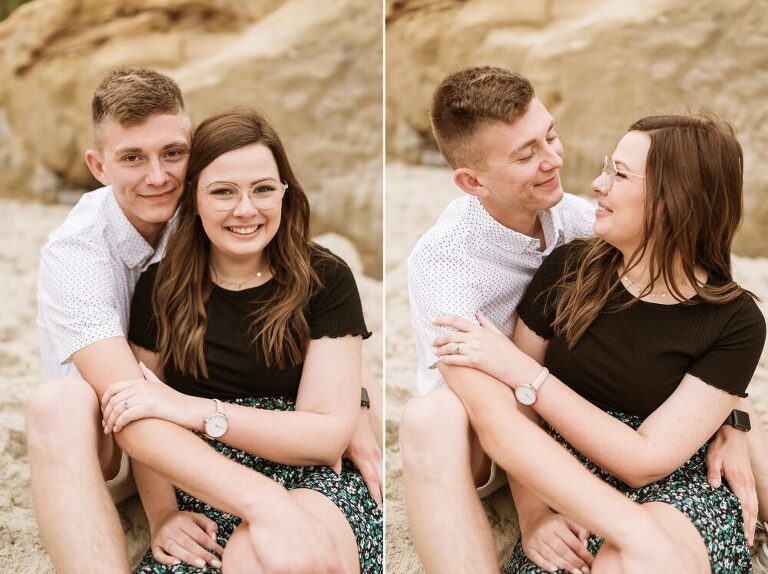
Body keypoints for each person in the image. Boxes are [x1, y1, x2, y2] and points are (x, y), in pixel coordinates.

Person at [401, 65, 768, 574]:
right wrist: (533, 518)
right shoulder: (450, 265)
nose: (556, 162)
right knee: (428, 418)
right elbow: (501, 414)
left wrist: (732, 415)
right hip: (495, 431)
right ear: (472, 181)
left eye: (549, 136)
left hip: (631, 447)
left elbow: (701, 325)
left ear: (673, 200)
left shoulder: (576, 221)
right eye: (527, 154)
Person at [28, 67, 383, 573]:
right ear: (98, 165)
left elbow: (311, 306)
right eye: (132, 157)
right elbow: (136, 404)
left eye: (172, 153)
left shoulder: (206, 209)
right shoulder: (78, 256)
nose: (157, 176)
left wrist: (356, 408)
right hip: (115, 445)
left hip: (223, 427)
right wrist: (171, 512)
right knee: (56, 403)